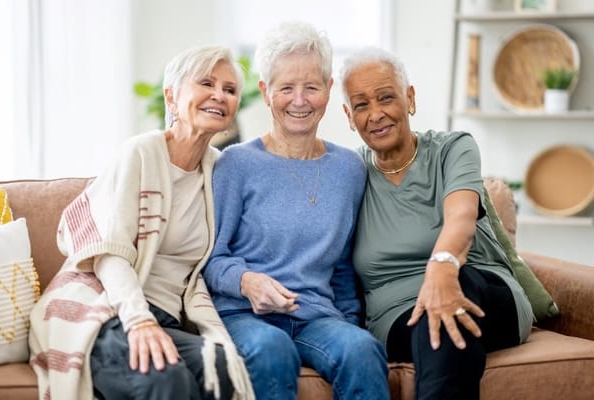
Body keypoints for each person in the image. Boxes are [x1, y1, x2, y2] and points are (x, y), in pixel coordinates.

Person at [28, 45, 254, 400]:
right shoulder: (141, 153)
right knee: (165, 380)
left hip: (167, 316)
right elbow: (110, 252)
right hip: (105, 311)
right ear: (171, 96)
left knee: (222, 368)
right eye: (206, 83)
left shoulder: (220, 170)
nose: (219, 95)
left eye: (229, 89)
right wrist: (139, 320)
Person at [203, 21, 390, 400]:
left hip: (316, 317)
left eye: (311, 87)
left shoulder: (349, 169)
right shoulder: (235, 164)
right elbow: (211, 257)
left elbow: (341, 267)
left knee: (362, 349)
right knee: (273, 351)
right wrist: (247, 282)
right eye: (286, 88)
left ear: (328, 90)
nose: (299, 100)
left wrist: (350, 325)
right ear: (266, 92)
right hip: (244, 315)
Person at [339, 46, 534, 400]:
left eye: (386, 98)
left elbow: (461, 218)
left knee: (450, 298)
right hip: (397, 316)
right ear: (349, 116)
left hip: (482, 290)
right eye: (361, 105)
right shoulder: (348, 173)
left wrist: (442, 268)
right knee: (437, 327)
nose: (376, 114)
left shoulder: (452, 149)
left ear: (409, 98)